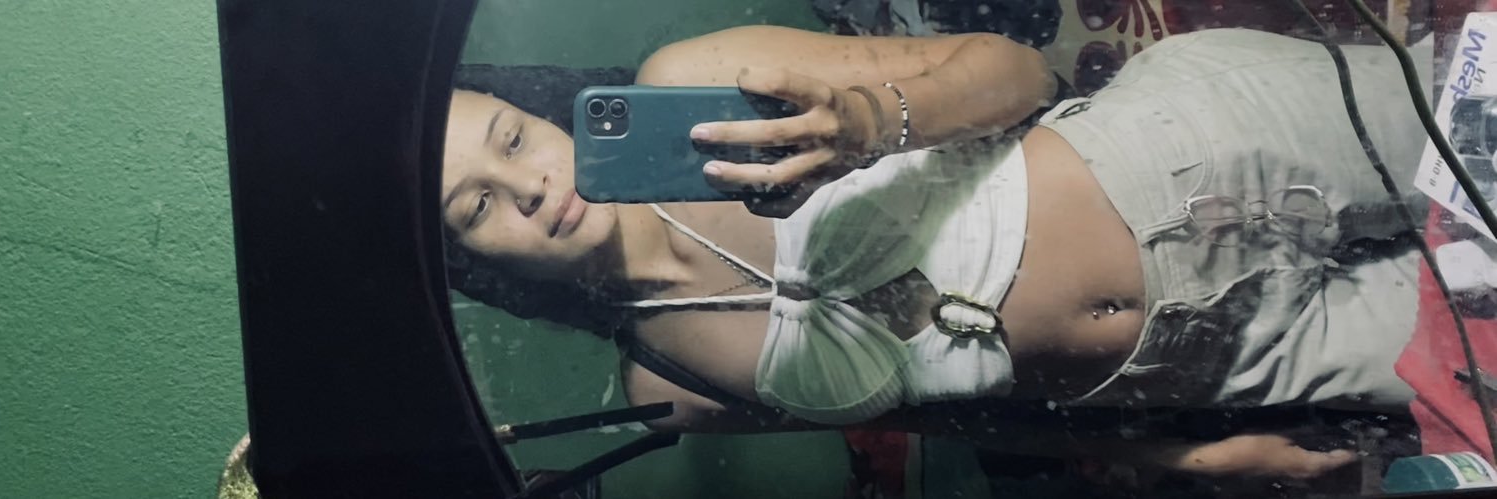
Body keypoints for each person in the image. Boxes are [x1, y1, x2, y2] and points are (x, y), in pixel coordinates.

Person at [442, 24, 1429, 479]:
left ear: (539, 112)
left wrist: (873, 120)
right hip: (1225, 361)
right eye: (476, 205)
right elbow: (956, 417)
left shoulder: (689, 83)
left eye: (512, 138)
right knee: (1479, 375)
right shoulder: (669, 381)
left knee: (1474, 140)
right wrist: (1187, 452)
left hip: (1203, 148)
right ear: (481, 266)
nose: (527, 186)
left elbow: (1014, 70)